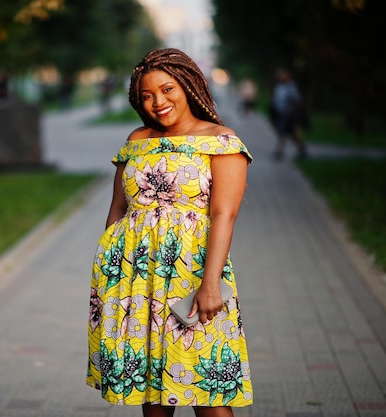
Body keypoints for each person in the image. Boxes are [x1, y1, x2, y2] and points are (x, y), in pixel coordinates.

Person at [87, 48, 254, 417]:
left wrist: (211, 283)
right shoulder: (136, 139)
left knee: (206, 391)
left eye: (167, 89)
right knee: (152, 396)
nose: (157, 102)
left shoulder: (220, 140)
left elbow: (224, 214)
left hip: (191, 276)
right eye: (146, 95)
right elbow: (119, 207)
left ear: (188, 85)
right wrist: (109, 271)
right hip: (134, 281)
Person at [270, 68, 308, 160]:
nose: (281, 77)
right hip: (281, 114)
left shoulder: (292, 87)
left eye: (283, 75)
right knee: (284, 133)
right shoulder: (279, 86)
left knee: (289, 134)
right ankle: (280, 151)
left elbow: (297, 101)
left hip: (289, 115)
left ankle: (281, 151)